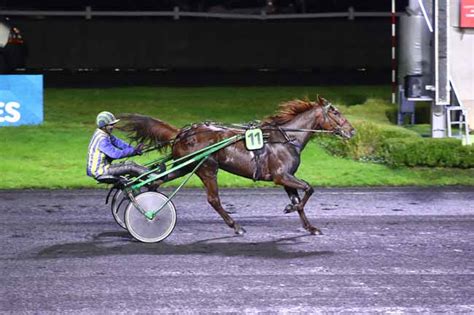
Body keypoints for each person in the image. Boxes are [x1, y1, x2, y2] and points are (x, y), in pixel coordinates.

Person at [86, 111, 151, 180]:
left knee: (131, 164)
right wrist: (133, 151)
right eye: (111, 125)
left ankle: (149, 180)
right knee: (130, 166)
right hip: (100, 171)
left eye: (113, 124)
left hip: (103, 168)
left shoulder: (104, 134)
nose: (113, 127)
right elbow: (115, 154)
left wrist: (134, 149)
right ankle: (152, 176)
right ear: (103, 126)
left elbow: (119, 143)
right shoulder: (102, 139)